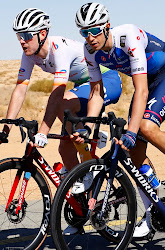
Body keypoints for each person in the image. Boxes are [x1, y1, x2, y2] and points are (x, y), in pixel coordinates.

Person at [74, 2, 165, 238]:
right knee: (134, 151)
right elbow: (96, 93)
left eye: (94, 30)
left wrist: (132, 130)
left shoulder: (127, 36)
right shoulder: (90, 51)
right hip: (146, 84)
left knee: (144, 126)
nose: (89, 37)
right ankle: (153, 213)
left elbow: (140, 90)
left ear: (107, 26)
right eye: (84, 32)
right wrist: (87, 127)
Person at [0, 8, 122, 234]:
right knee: (64, 148)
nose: (22, 41)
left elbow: (57, 95)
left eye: (27, 36)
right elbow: (19, 90)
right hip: (83, 88)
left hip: (106, 80)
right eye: (19, 36)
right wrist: (6, 128)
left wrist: (43, 132)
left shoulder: (59, 50)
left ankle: (89, 161)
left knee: (64, 103)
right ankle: (80, 212)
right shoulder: (29, 55)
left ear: (43, 33)